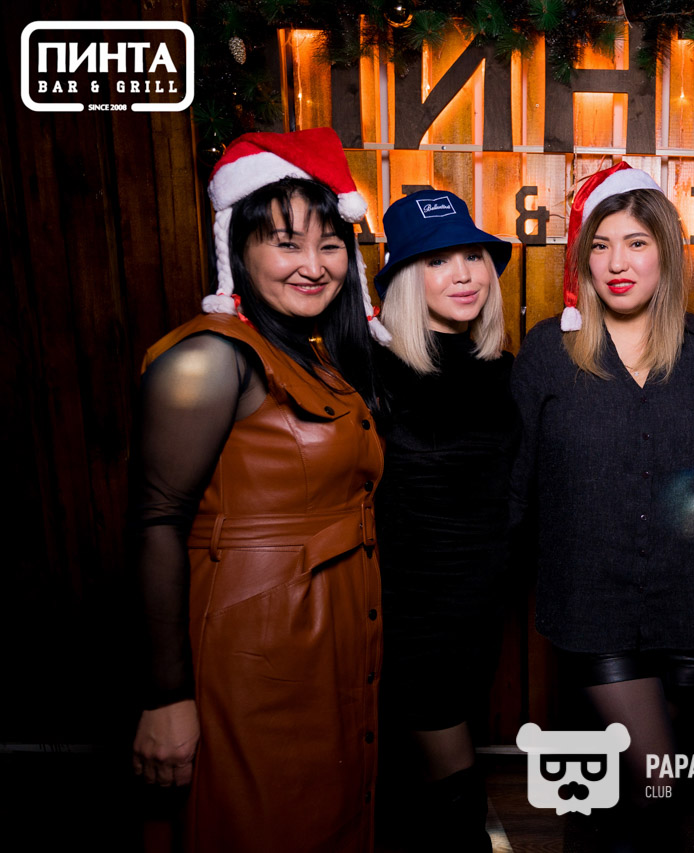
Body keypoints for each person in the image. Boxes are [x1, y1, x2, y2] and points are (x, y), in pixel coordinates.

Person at [129, 128, 388, 852]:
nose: (314, 265)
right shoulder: (207, 359)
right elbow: (154, 523)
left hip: (329, 650)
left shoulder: (313, 355)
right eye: (285, 243)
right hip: (251, 657)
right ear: (238, 249)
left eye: (330, 244)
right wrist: (167, 698)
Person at [510, 163, 694, 843]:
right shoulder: (549, 351)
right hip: (592, 607)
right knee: (657, 776)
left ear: (666, 251)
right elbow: (517, 479)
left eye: (637, 243)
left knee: (636, 790)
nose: (616, 262)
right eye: (601, 245)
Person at [371, 190, 516, 852]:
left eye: (473, 255)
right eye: (437, 260)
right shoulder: (373, 371)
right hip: (409, 614)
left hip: (478, 612)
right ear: (406, 277)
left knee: (426, 790)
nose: (464, 274)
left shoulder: (503, 371)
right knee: (456, 794)